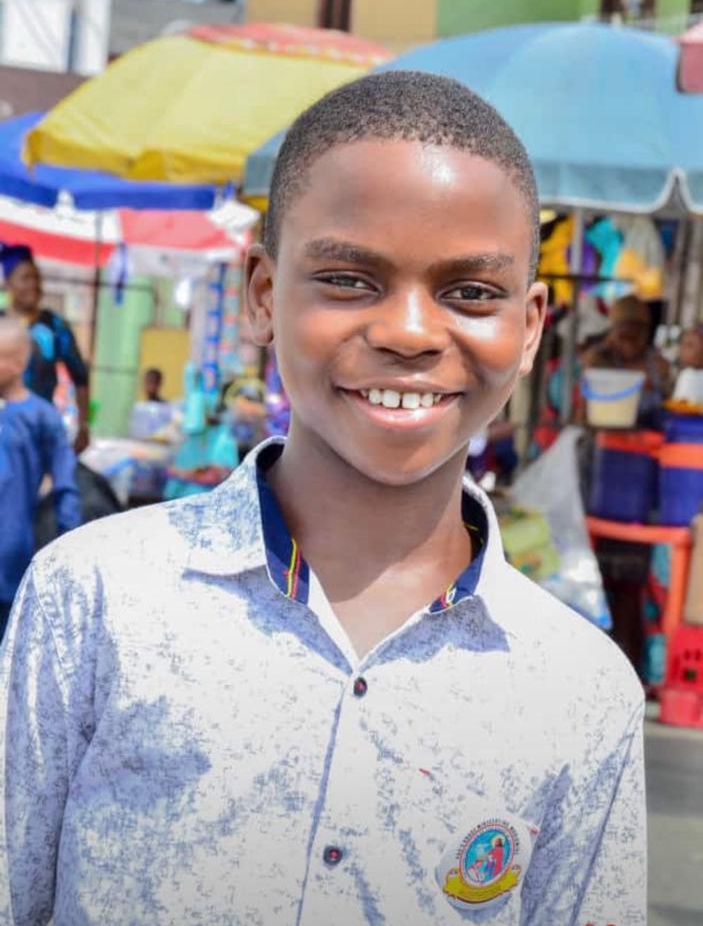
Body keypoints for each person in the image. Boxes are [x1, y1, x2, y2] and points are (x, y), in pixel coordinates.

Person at [0, 73, 645, 925]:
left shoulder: (579, 689)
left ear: (528, 328)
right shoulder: (94, 600)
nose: (409, 333)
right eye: (348, 279)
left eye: (470, 292)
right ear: (263, 296)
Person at [0, 318, 81, 639]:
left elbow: (65, 483)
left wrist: (70, 543)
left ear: (20, 362)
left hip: (9, 551)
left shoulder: (41, 417)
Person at [0, 243, 91, 452]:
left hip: (39, 433)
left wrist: (83, 427)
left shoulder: (54, 327)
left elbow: (80, 377)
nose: (33, 284)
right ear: (8, 283)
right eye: (25, 278)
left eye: (36, 277)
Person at [582, 292, 671, 427]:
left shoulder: (658, 364)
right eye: (623, 337)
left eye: (635, 337)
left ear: (646, 334)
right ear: (611, 334)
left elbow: (669, 404)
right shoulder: (597, 359)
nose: (629, 345)